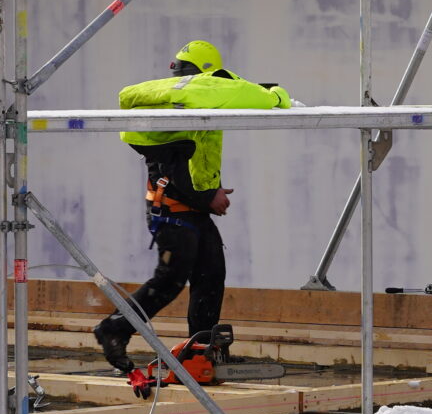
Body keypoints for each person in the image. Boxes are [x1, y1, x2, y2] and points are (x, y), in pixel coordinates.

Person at [94, 38, 290, 374]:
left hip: (191, 210)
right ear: (206, 75)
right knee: (170, 280)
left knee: (211, 275)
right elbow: (173, 173)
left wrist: (209, 190)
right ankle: (114, 328)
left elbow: (192, 162)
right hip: (173, 211)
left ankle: (201, 350)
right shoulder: (176, 110)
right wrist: (208, 197)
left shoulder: (189, 104)